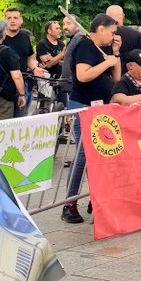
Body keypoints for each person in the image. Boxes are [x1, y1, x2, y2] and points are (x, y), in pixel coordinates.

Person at [63, 13, 121, 224]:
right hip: (83, 106)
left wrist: (115, 55)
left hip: (99, 107)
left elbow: (116, 78)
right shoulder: (85, 46)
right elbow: (83, 75)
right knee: (83, 154)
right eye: (112, 32)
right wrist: (107, 63)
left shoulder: (102, 49)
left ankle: (95, 197)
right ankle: (69, 203)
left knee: (99, 155)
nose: (114, 35)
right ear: (101, 29)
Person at [2, 7, 44, 116]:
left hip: (21, 84)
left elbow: (30, 57)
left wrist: (35, 69)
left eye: (15, 18)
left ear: (21, 20)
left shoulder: (25, 37)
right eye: (9, 18)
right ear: (4, 20)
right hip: (2, 86)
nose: (12, 21)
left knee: (21, 119)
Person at [57, 14, 87, 107]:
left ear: (77, 25)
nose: (65, 27)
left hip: (76, 86)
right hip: (70, 84)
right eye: (64, 24)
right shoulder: (74, 39)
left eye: (69, 23)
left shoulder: (80, 39)